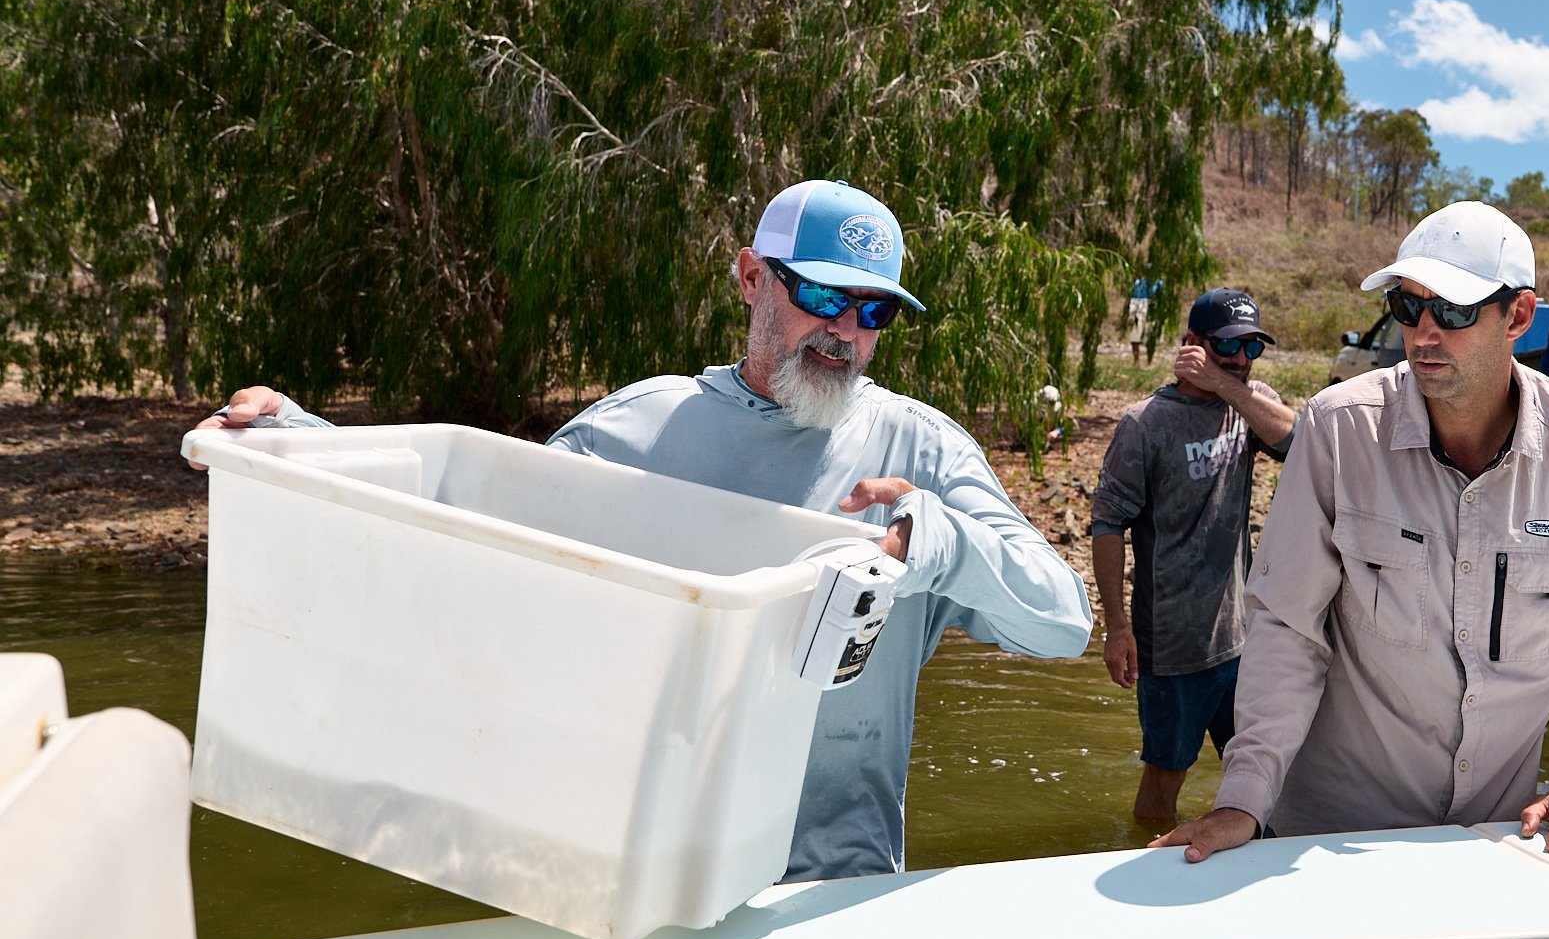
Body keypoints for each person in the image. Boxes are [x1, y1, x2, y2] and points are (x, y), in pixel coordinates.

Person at [192, 179, 1094, 883]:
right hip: (654, 889)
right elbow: (458, 537)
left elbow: (1062, 623)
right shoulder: (631, 431)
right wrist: (302, 444)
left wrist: (932, 543)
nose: (848, 333)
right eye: (824, 294)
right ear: (751, 277)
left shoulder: (921, 450)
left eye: (876, 312)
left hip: (835, 901)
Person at [1152, 202, 1549, 868]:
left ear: (1518, 316)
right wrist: (1245, 797)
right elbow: (1286, 626)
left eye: (1451, 311)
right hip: (1325, 850)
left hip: (1496, 843)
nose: (1423, 334)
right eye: (1406, 306)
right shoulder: (1338, 430)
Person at [1090, 289, 1296, 825]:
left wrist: (1226, 384)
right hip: (1171, 644)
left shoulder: (1248, 404)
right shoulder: (1145, 423)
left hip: (1243, 639)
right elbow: (1107, 523)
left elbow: (1297, 441)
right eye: (1228, 345)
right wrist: (1116, 628)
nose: (1242, 359)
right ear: (1193, 345)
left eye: (1253, 348)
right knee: (1166, 777)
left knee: (1265, 771)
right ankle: (1147, 874)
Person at [1127, 276, 1163, 365]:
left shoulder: (1158, 284)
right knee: (1135, 336)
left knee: (1150, 336)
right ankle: (1136, 360)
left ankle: (1149, 361)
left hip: (1151, 308)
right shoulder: (1138, 283)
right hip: (1138, 305)